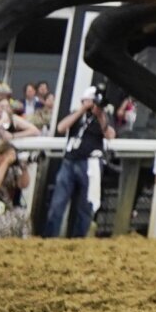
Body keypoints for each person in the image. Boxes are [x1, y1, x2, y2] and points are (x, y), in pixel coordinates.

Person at [45, 90, 115, 239]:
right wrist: (82, 110)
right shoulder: (76, 114)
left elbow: (110, 135)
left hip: (90, 163)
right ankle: (51, 236)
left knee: (86, 206)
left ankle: (79, 238)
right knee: (58, 202)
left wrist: (100, 115)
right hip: (70, 161)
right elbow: (61, 128)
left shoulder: (103, 117)